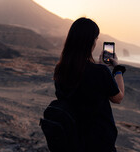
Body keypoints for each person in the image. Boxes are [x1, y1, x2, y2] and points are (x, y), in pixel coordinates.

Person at [54, 17, 125, 152]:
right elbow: (118, 98)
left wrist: (98, 69)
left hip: (72, 138)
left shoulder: (60, 69)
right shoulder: (100, 72)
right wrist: (118, 70)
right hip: (98, 142)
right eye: (95, 38)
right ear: (90, 41)